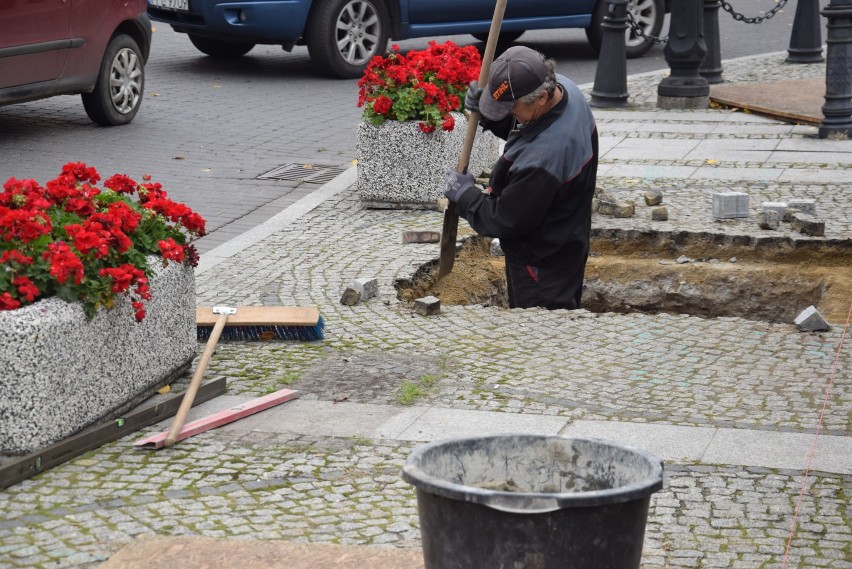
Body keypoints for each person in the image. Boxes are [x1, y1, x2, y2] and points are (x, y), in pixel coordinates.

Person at [444, 46, 598, 310]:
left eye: (510, 107)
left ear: (540, 97)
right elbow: (530, 127)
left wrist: (466, 196)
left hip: (541, 264)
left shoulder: (545, 157)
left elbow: (505, 219)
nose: (509, 112)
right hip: (567, 238)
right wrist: (490, 115)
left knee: (540, 337)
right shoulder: (566, 89)